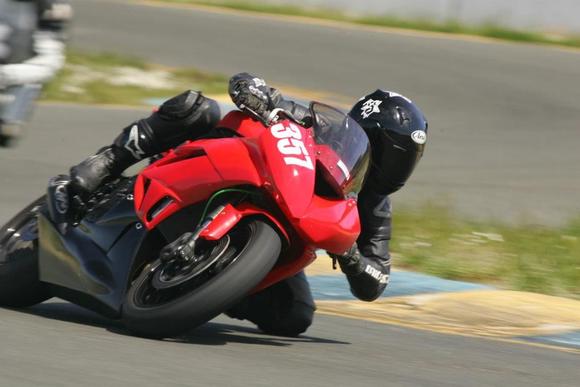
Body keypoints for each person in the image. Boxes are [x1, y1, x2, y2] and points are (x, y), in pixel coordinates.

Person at [58, 72, 428, 336]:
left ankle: (211, 288)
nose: (395, 167)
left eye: (407, 159)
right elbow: (246, 83)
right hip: (231, 174)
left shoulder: (374, 206)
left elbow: (375, 281)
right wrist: (256, 93)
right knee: (197, 108)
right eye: (390, 153)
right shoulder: (312, 123)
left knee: (295, 316)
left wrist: (352, 258)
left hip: (276, 235)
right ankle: (107, 161)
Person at [0, 0, 71, 146]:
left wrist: (7, 75)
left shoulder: (51, 8)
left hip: (13, 78)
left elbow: (48, 63)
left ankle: (10, 119)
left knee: (7, 130)